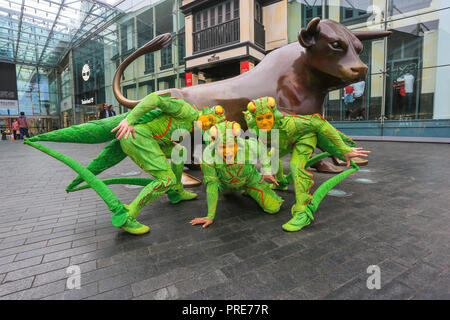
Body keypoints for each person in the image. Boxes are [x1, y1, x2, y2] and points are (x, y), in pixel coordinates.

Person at [26, 92, 217, 235]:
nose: (205, 127)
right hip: (137, 136)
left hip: (151, 137)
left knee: (179, 151)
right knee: (164, 179)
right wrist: (129, 120)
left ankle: (176, 192)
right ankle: (128, 215)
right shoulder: (185, 110)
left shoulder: (195, 124)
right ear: (203, 116)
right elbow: (155, 99)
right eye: (207, 123)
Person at [244, 96, 370, 232]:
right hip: (284, 142)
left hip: (304, 139)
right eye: (260, 119)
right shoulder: (257, 128)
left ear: (273, 115)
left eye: (268, 117)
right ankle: (280, 183)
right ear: (255, 120)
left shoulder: (291, 123)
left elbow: (319, 122)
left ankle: (302, 213)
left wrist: (343, 148)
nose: (264, 122)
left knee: (295, 165)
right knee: (269, 158)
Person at [190, 120, 283, 228]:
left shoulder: (248, 146)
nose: (227, 152)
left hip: (250, 179)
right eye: (222, 147)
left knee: (273, 208)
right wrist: (210, 216)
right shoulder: (208, 155)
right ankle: (230, 188)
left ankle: (249, 189)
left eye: (230, 146)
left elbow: (262, 149)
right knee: (227, 194)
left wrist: (266, 171)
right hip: (226, 184)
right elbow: (211, 186)